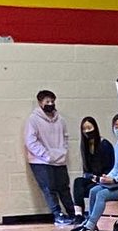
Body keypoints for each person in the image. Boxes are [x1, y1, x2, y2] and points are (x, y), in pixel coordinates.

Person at [73, 113, 118, 231]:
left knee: (102, 194)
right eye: (116, 126)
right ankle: (90, 223)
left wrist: (115, 179)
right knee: (94, 190)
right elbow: (116, 167)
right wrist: (107, 177)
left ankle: (90, 226)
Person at [25, 89, 78, 224]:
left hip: (59, 160)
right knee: (49, 189)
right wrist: (46, 155)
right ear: (40, 103)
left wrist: (63, 152)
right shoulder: (33, 119)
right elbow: (31, 141)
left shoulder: (60, 120)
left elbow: (66, 138)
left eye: (52, 101)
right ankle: (58, 215)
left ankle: (73, 214)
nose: (50, 104)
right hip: (41, 161)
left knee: (64, 188)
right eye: (47, 101)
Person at [72, 117, 115, 220]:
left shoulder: (104, 144)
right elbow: (87, 170)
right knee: (78, 182)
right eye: (84, 129)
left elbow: (110, 167)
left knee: (89, 188)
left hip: (104, 178)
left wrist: (99, 178)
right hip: (92, 178)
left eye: (89, 128)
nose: (87, 131)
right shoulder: (85, 146)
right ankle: (78, 214)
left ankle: (91, 216)